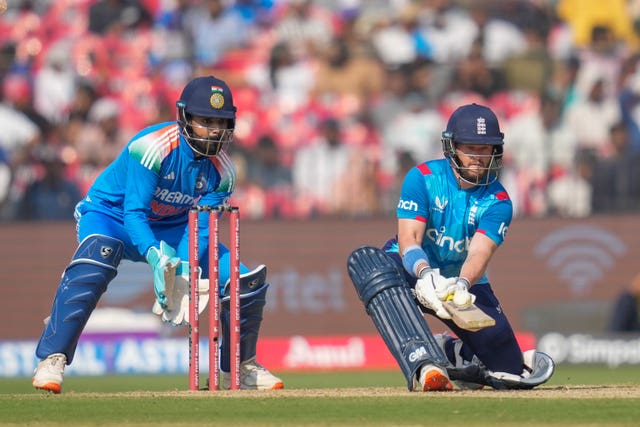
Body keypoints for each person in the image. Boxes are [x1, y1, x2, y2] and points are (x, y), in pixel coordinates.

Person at [32, 75, 284, 393]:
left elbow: (201, 228)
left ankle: (239, 367)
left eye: (221, 122)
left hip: (174, 225)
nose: (214, 130)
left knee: (244, 282)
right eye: (205, 121)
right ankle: (51, 359)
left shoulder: (224, 172)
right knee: (96, 260)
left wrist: (180, 270)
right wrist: (156, 258)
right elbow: (133, 213)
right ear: (184, 118)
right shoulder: (151, 147)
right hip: (112, 217)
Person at [347, 103, 554, 391]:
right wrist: (425, 274)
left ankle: (451, 353)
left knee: (508, 370)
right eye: (470, 147)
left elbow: (480, 252)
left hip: (459, 283)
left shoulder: (499, 200)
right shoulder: (422, 178)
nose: (478, 157)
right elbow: (409, 240)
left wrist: (461, 284)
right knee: (369, 263)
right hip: (411, 269)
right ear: (452, 146)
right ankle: (423, 362)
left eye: (486, 148)